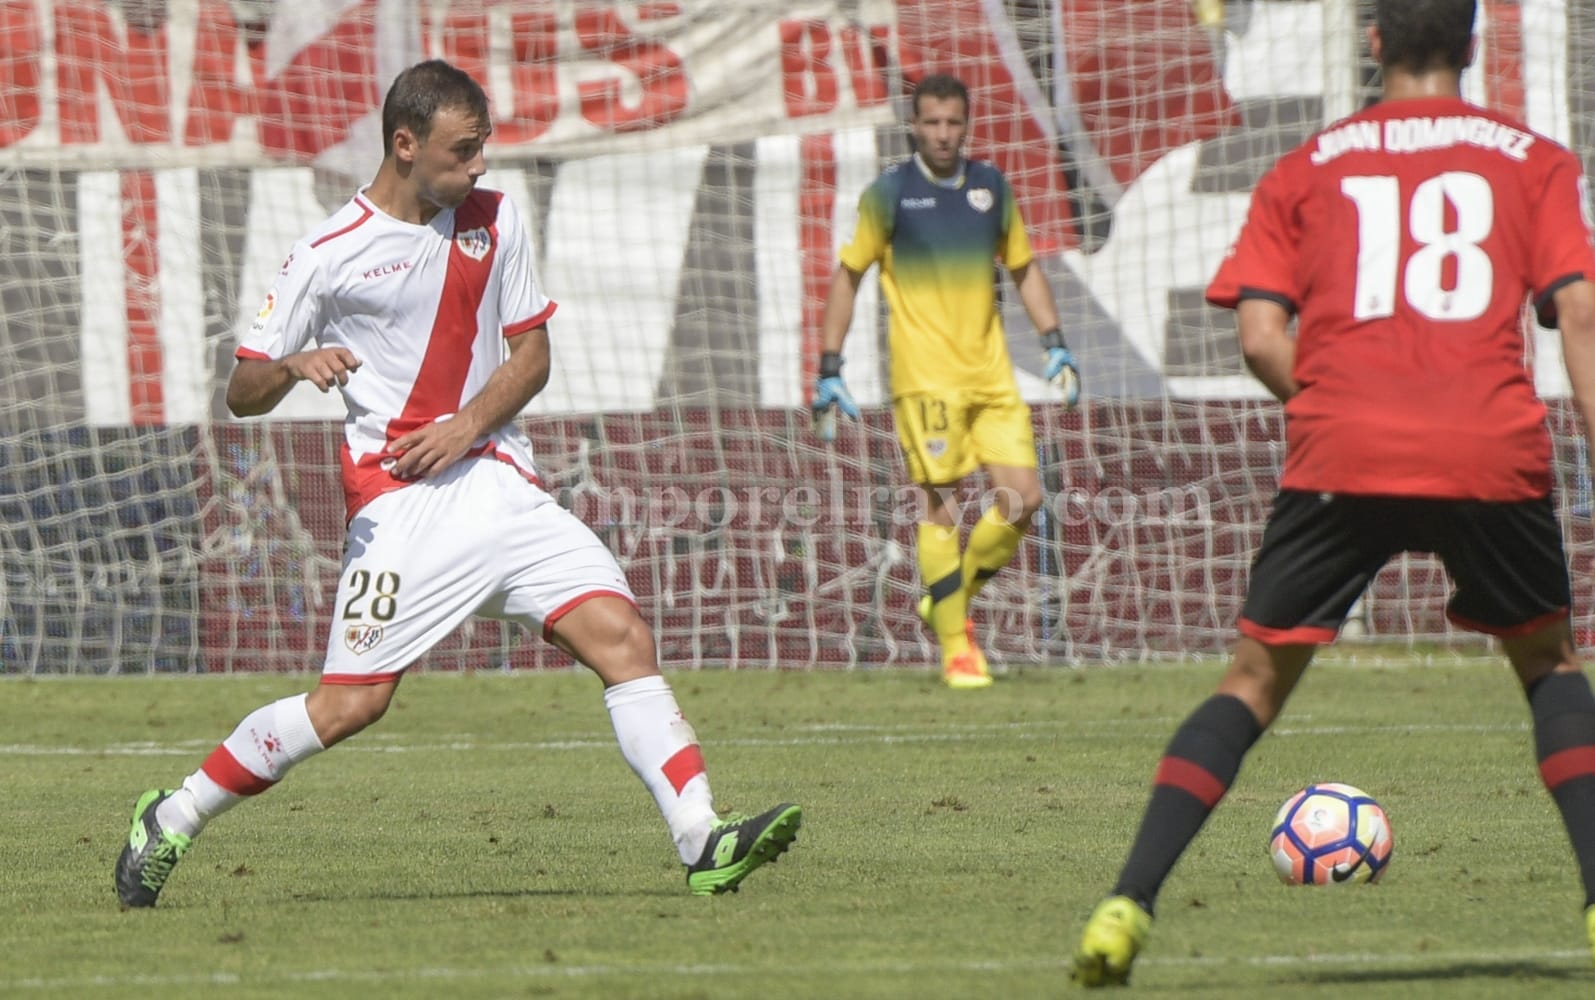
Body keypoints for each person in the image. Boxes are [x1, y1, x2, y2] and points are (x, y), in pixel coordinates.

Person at [114, 59, 801, 908]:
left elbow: (533, 356)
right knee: (346, 709)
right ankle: (174, 815)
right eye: (462, 150)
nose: (478, 166)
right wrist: (293, 365)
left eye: (483, 148)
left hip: (501, 484)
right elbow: (242, 391)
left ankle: (701, 837)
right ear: (405, 145)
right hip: (402, 507)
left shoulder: (496, 219)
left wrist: (467, 427)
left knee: (621, 638)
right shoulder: (327, 254)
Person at [1071, 0, 1595, 985]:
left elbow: (1260, 336)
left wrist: (1336, 405)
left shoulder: (1307, 166)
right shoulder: (1532, 160)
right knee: (1549, 667)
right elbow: (1575, 309)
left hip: (1340, 442)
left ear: (1371, 44)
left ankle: (1124, 904)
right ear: (1470, 43)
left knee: (1249, 684)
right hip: (1485, 442)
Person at [811, 72, 1081, 690]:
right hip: (925, 381)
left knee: (1023, 498)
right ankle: (958, 646)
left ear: (966, 124)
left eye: (952, 123)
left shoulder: (991, 188)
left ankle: (946, 598)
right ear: (914, 124)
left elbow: (1024, 269)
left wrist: (1055, 344)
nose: (941, 134)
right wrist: (830, 364)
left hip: (990, 375)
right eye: (931, 122)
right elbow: (848, 276)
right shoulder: (889, 194)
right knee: (943, 506)